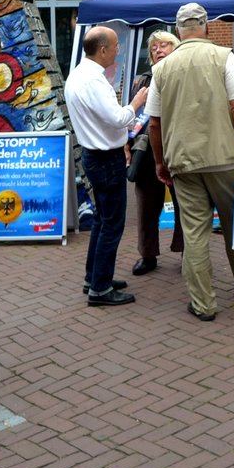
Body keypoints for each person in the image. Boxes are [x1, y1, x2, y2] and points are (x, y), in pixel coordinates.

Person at [147, 2, 234, 321]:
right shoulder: (223, 56)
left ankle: (203, 303)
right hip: (225, 158)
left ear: (177, 31)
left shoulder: (161, 69)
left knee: (194, 232)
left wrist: (160, 162)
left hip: (182, 163)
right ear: (207, 26)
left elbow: (154, 124)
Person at [64, 26, 147, 307]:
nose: (118, 51)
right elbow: (117, 118)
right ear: (102, 50)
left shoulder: (78, 75)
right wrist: (136, 103)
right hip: (105, 158)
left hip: (95, 155)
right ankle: (100, 288)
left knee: (102, 220)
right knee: (112, 224)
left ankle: (95, 277)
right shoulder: (94, 81)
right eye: (115, 46)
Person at [129, 30, 182, 276]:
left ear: (176, 48)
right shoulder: (142, 81)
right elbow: (131, 118)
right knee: (146, 206)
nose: (158, 50)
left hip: (178, 149)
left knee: (186, 204)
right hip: (146, 151)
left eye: (164, 45)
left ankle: (187, 252)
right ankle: (147, 254)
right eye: (154, 47)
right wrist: (125, 146)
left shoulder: (184, 78)